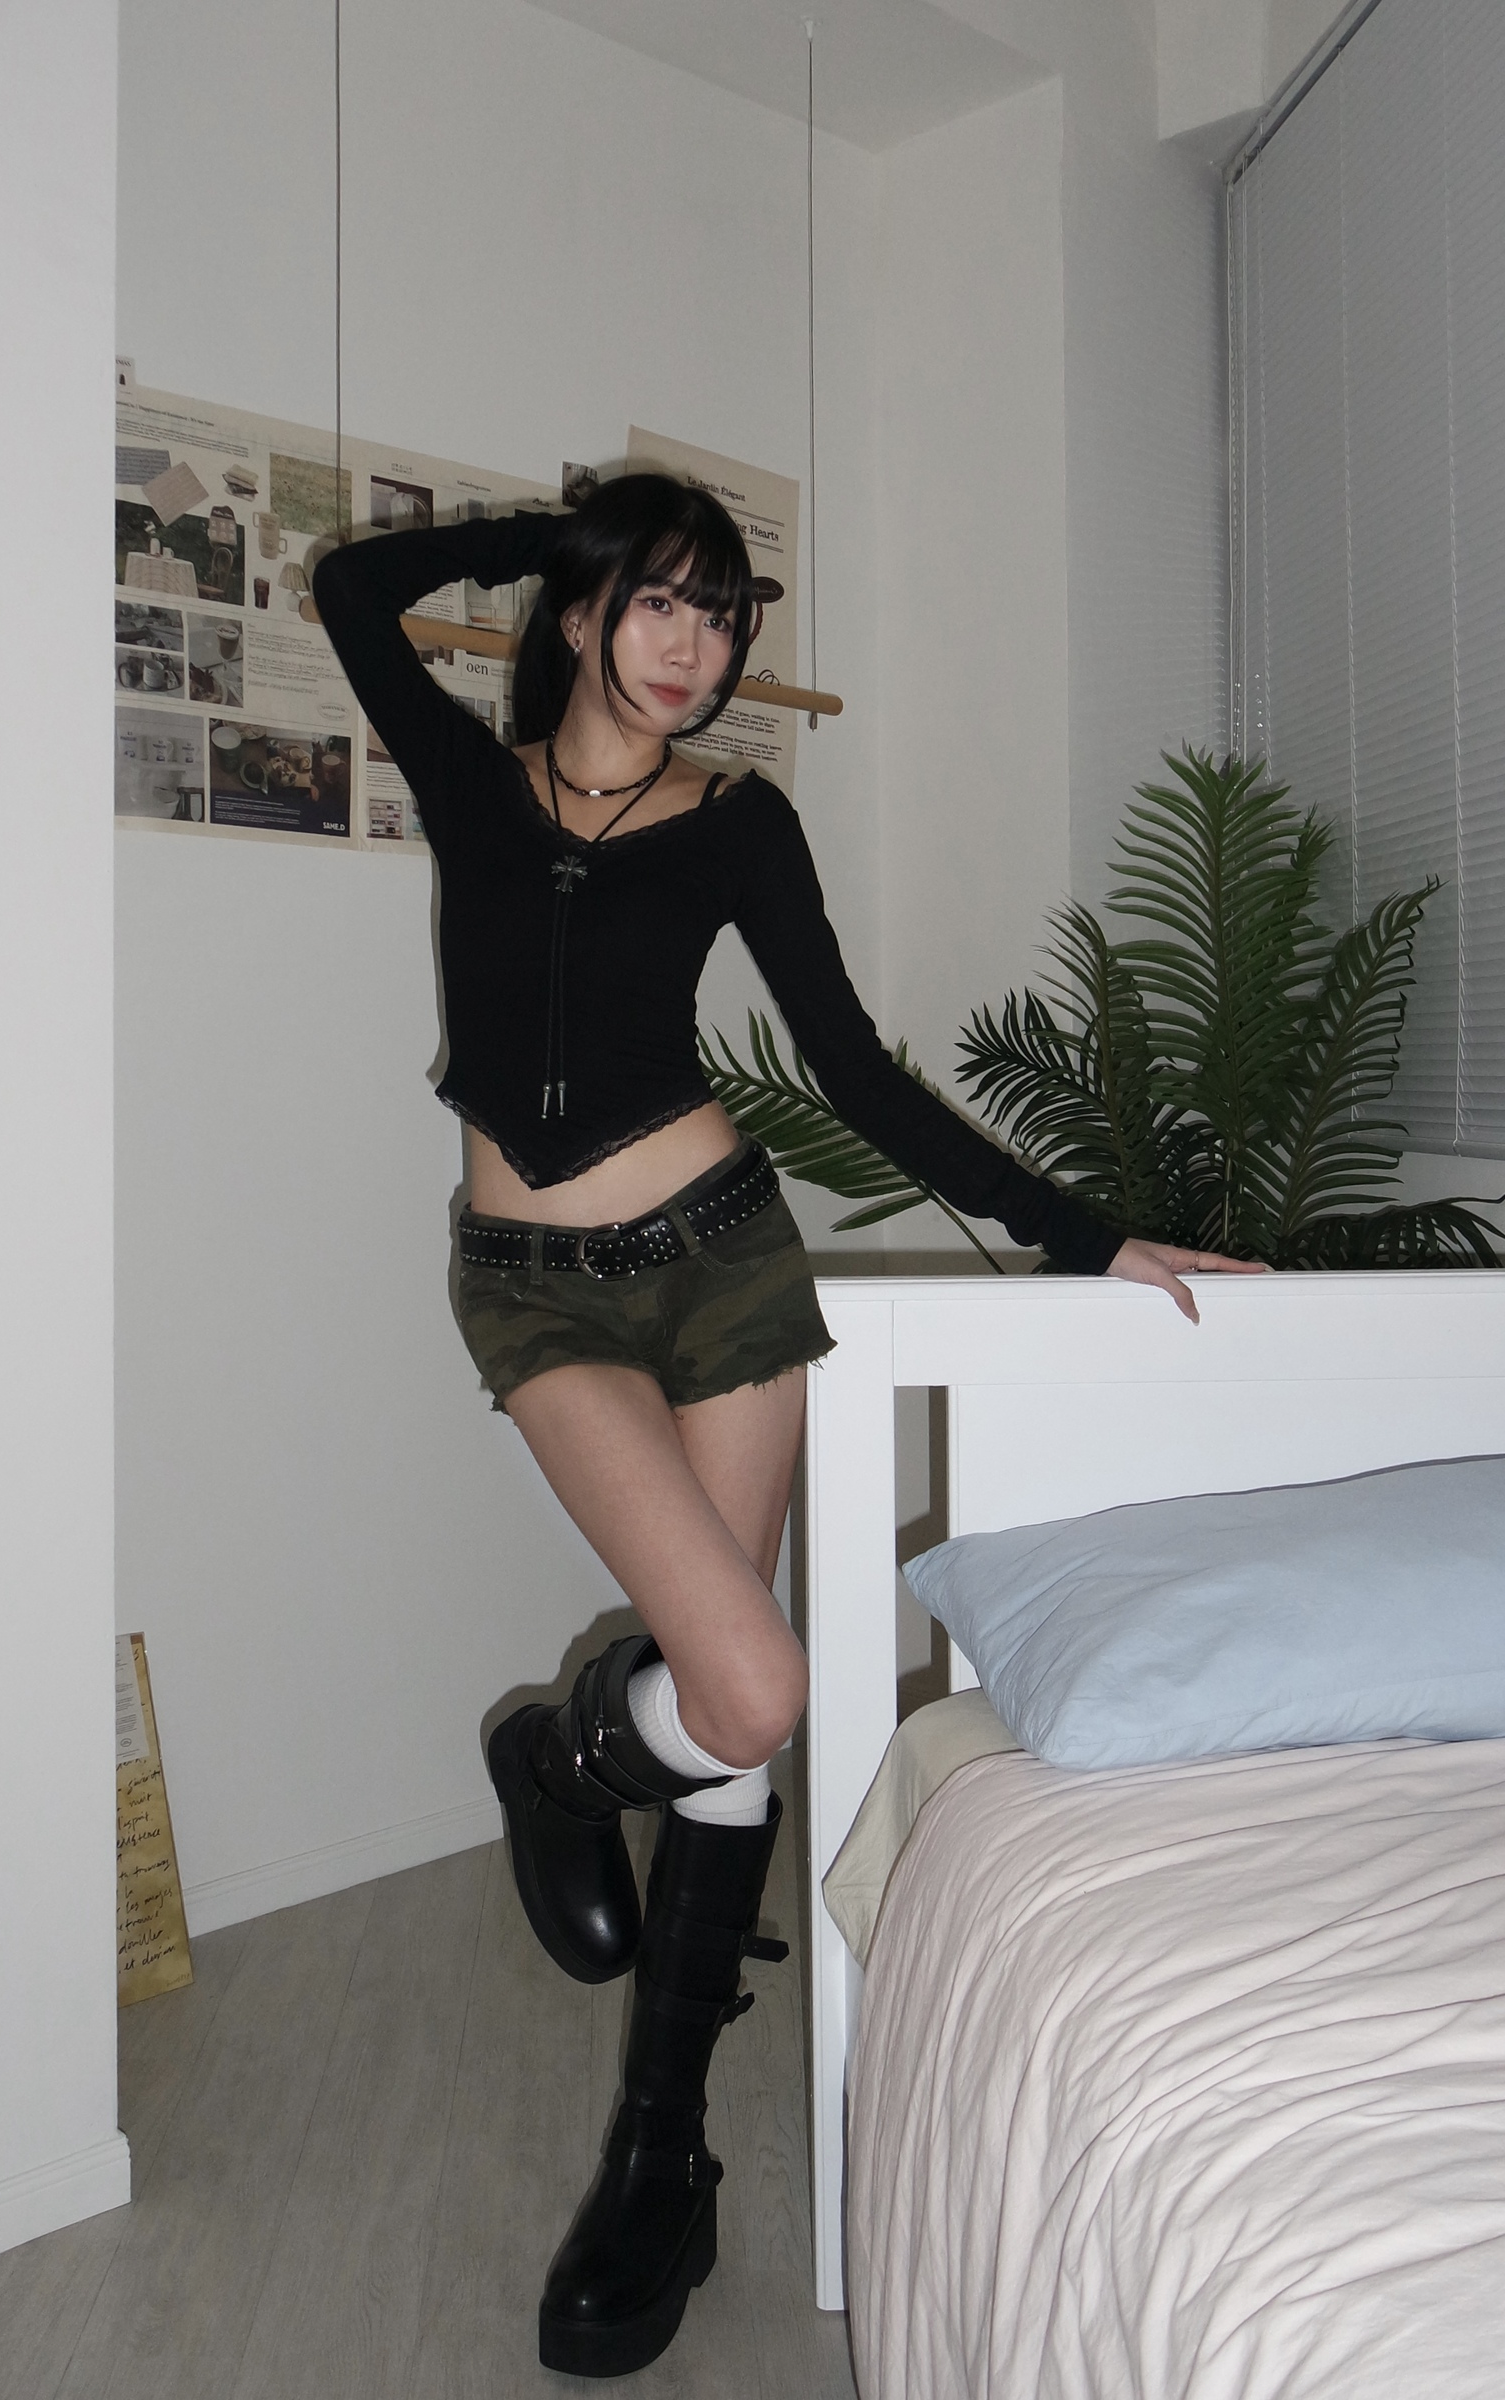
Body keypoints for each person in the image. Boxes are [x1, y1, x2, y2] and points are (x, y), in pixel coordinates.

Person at [312, 477, 1254, 2378]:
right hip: (534, 1288)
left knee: (738, 1714)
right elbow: (351, 589)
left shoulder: (739, 822)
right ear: (585, 613)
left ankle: (661, 2159)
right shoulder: (475, 781)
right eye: (660, 604)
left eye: (723, 615)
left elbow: (849, 1067)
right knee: (746, 1687)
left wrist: (1081, 1236)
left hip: (725, 1267)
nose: (698, 647)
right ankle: (556, 1763)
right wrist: (552, 530)